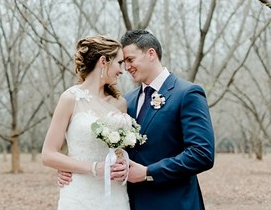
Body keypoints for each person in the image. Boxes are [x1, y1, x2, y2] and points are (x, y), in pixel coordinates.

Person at [57, 29, 215, 210]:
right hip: (130, 201)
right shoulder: (127, 101)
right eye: (123, 62)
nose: (126, 68)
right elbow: (113, 149)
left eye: (130, 60)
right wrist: (72, 168)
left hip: (174, 202)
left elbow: (201, 154)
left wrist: (148, 173)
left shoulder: (187, 93)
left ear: (151, 54)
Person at [41, 35, 130, 210]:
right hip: (79, 194)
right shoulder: (70, 98)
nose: (122, 70)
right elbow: (48, 154)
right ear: (103, 61)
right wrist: (94, 168)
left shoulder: (120, 104)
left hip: (115, 194)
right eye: (119, 63)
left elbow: (119, 151)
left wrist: (124, 164)